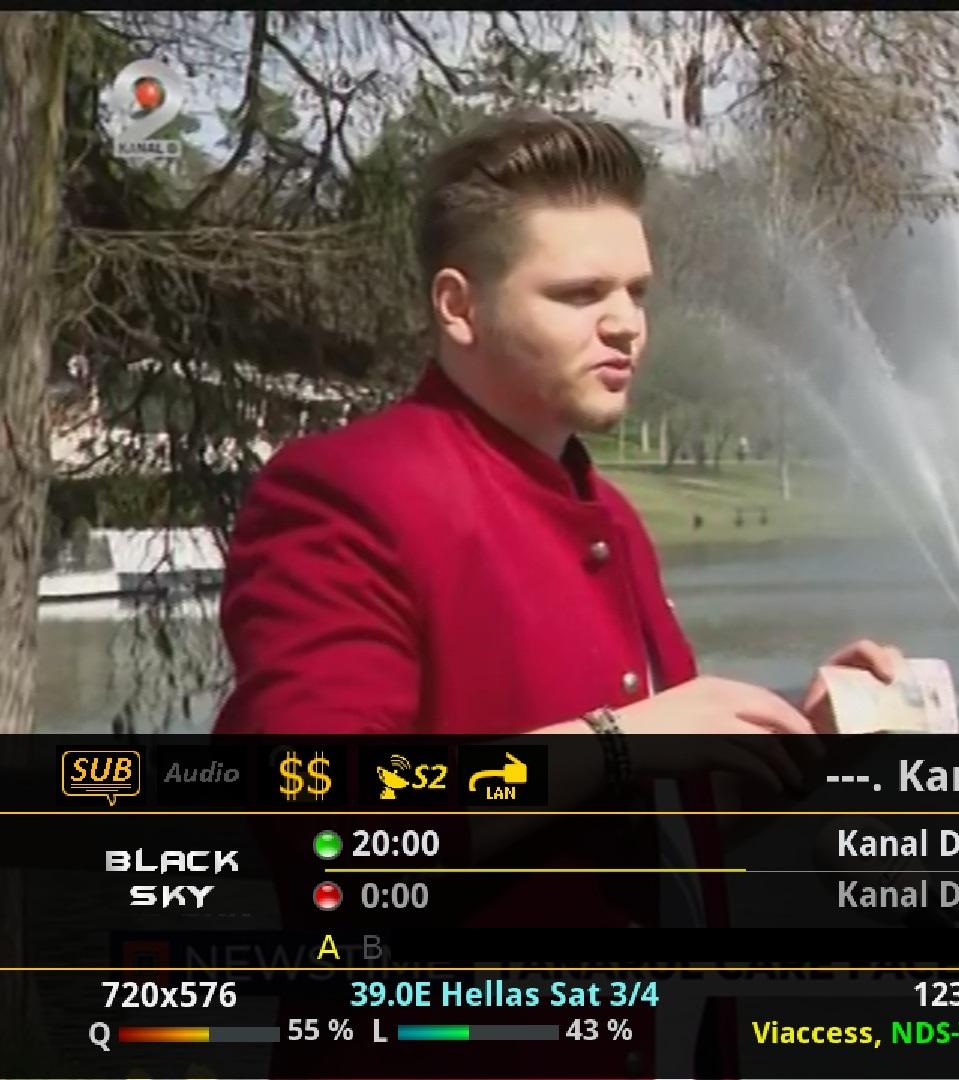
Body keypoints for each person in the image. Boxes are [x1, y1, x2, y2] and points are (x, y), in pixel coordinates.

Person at [214, 109, 902, 743]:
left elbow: (654, 808)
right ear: (459, 307)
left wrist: (799, 736)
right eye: (580, 293)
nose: (625, 324)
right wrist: (614, 744)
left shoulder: (613, 517)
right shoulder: (348, 495)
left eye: (636, 292)